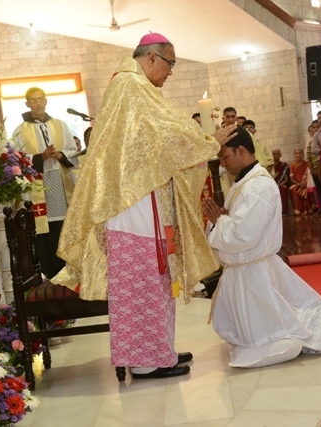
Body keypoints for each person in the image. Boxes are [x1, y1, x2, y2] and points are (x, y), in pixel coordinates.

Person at [52, 33, 237, 379]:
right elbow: (167, 130)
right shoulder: (130, 85)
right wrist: (206, 141)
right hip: (130, 203)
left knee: (155, 280)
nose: (171, 72)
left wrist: (201, 143)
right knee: (140, 283)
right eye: (170, 64)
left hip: (141, 197)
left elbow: (159, 137)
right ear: (152, 58)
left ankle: (159, 350)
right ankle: (143, 361)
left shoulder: (133, 86)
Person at [201, 126, 321, 368]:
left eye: (225, 157)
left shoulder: (258, 185)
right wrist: (222, 218)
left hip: (253, 270)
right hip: (245, 269)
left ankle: (302, 338)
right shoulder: (245, 182)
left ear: (241, 150)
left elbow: (245, 235)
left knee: (274, 335)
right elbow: (238, 224)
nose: (222, 164)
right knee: (253, 331)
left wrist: (219, 220)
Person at [12, 87, 79, 280]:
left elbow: (73, 151)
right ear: (27, 104)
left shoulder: (60, 125)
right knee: (43, 229)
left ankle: (67, 269)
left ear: (46, 101)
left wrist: (61, 155)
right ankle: (48, 272)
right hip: (38, 185)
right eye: (33, 101)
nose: (38, 103)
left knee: (62, 226)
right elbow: (16, 159)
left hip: (60, 182)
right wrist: (40, 157)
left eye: (41, 99)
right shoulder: (20, 131)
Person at [289, 148, 313, 215]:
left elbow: (309, 175)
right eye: (296, 153)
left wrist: (305, 183)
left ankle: (308, 209)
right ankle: (298, 210)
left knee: (308, 189)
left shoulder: (306, 164)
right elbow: (291, 178)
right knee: (294, 189)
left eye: (300, 153)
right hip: (297, 184)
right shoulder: (292, 165)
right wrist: (298, 183)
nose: (298, 155)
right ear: (294, 155)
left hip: (306, 183)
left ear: (303, 154)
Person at [272, 148, 290, 215]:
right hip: (272, 185)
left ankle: (284, 211)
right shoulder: (270, 166)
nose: (275, 155)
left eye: (277, 154)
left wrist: (279, 185)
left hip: (281, 184)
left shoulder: (284, 165)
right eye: (274, 154)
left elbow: (286, 179)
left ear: (280, 155)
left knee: (283, 188)